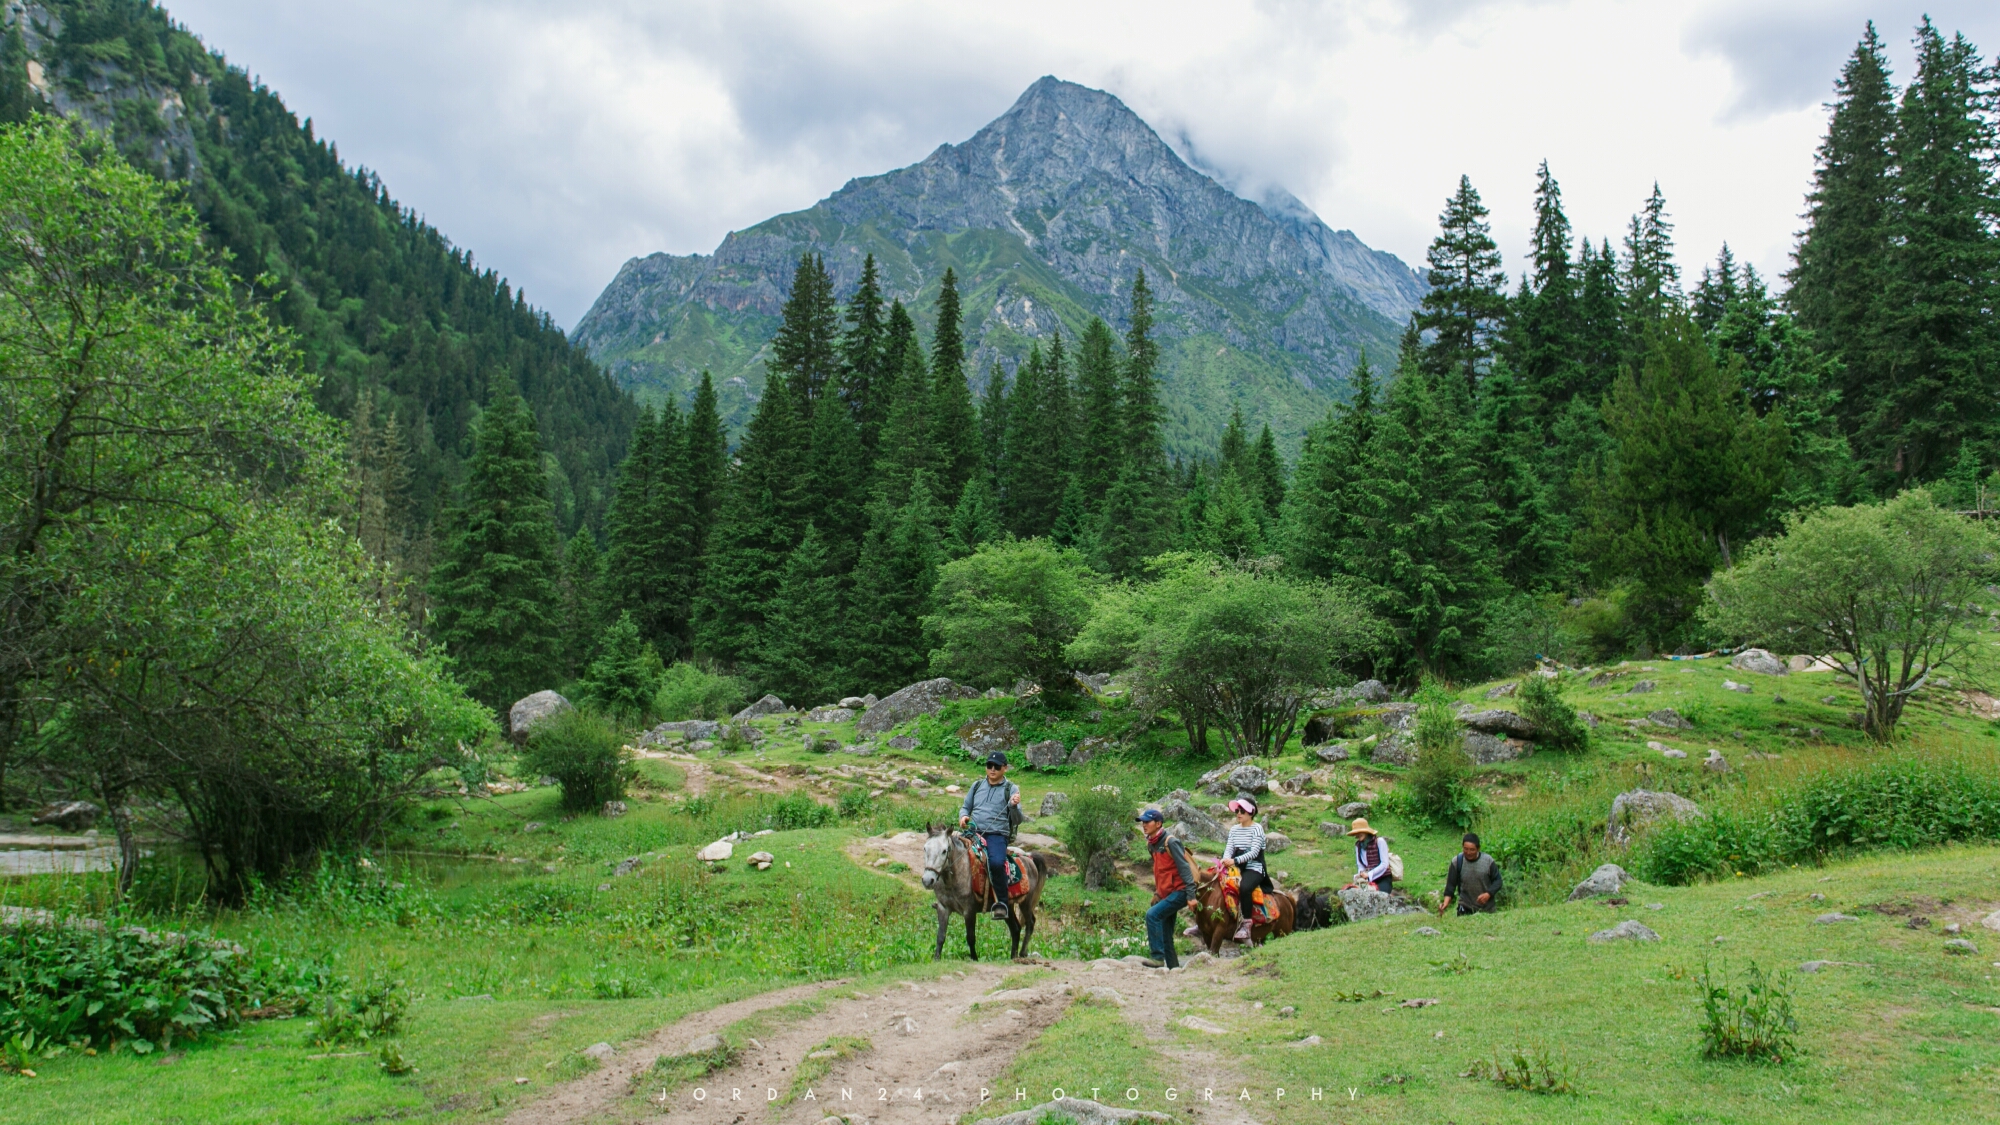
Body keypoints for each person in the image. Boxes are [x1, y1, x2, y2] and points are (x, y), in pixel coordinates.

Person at [958, 751, 1021, 920]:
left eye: (997, 766)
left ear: (1005, 768)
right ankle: (947, 896)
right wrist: (963, 817)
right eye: (989, 766)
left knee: (995, 862)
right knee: (950, 850)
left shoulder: (1011, 789)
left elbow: (1017, 820)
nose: (992, 769)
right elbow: (965, 807)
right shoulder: (977, 785)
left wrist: (1014, 806)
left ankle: (1001, 903)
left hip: (997, 834)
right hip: (973, 831)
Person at [1138, 809, 1194, 969]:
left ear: (1158, 823)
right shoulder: (1152, 844)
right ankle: (1173, 967)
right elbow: (1160, 871)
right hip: (1167, 893)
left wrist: (1191, 896)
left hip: (1181, 891)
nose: (1144, 825)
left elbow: (1185, 869)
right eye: (1142, 822)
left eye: (1147, 822)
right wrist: (1157, 892)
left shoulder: (1170, 842)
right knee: (1165, 932)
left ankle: (1157, 958)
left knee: (1152, 915)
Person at [1220, 797, 1273, 943]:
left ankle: (1247, 924)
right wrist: (1226, 859)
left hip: (1253, 867)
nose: (1238, 813)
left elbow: (1254, 853)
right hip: (1235, 866)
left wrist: (1235, 860)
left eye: (1242, 811)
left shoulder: (1257, 829)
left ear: (1251, 812)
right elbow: (1229, 848)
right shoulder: (1234, 829)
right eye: (1237, 810)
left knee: (1245, 887)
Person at [1438, 832, 1501, 916]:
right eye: (1465, 849)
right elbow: (1450, 886)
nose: (1468, 852)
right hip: (1465, 907)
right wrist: (1445, 903)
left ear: (1478, 849)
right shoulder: (1457, 861)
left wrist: (1488, 894)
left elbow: (1498, 881)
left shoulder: (1488, 861)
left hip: (1487, 909)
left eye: (1472, 850)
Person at [1346, 818, 1393, 893]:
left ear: (1366, 832)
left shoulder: (1380, 842)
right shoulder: (1358, 846)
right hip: (1367, 879)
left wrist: (1369, 874)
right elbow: (1360, 865)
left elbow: (1384, 864)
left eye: (1360, 832)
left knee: (1380, 896)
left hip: (1383, 877)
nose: (1358, 834)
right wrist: (1361, 874)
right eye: (1356, 833)